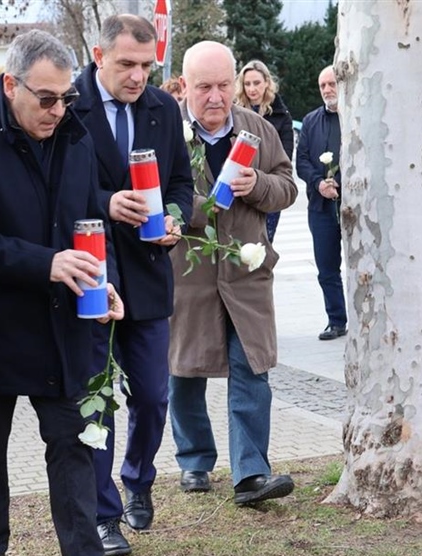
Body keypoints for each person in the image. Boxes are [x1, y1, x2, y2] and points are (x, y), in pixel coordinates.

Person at [0, 29, 159, 556]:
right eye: (47, 99)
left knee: (73, 444)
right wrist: (47, 263)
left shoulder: (75, 134)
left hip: (64, 324)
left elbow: (89, 223)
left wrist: (100, 280)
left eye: (66, 99)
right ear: (11, 86)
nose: (58, 110)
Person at [72, 14, 193, 556]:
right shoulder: (68, 104)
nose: (138, 76)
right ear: (100, 56)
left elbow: (183, 184)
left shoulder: (164, 109)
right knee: (97, 398)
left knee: (151, 393)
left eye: (147, 66)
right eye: (126, 64)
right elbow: (53, 189)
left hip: (147, 272)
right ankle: (104, 515)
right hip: (93, 271)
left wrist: (173, 218)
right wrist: (104, 203)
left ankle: (139, 479)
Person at [168, 40, 297, 505]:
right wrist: (204, 208)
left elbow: (288, 187)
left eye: (225, 85)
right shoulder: (166, 133)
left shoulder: (258, 130)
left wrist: (258, 184)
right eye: (204, 87)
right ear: (185, 87)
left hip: (246, 275)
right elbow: (153, 197)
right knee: (184, 371)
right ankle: (195, 461)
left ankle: (250, 474)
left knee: (251, 369)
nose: (217, 97)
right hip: (189, 275)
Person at [296, 65, 346, 341]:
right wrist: (319, 183)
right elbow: (301, 160)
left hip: (354, 204)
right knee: (326, 267)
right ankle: (336, 320)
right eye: (323, 85)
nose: (327, 89)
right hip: (321, 206)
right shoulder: (311, 121)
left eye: (332, 84)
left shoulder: (354, 117)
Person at [234, 60, 294, 242]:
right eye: (247, 83)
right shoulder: (234, 112)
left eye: (256, 83)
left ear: (267, 82)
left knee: (264, 245)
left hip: (268, 187)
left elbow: (285, 157)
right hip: (239, 185)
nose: (252, 89)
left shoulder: (281, 114)